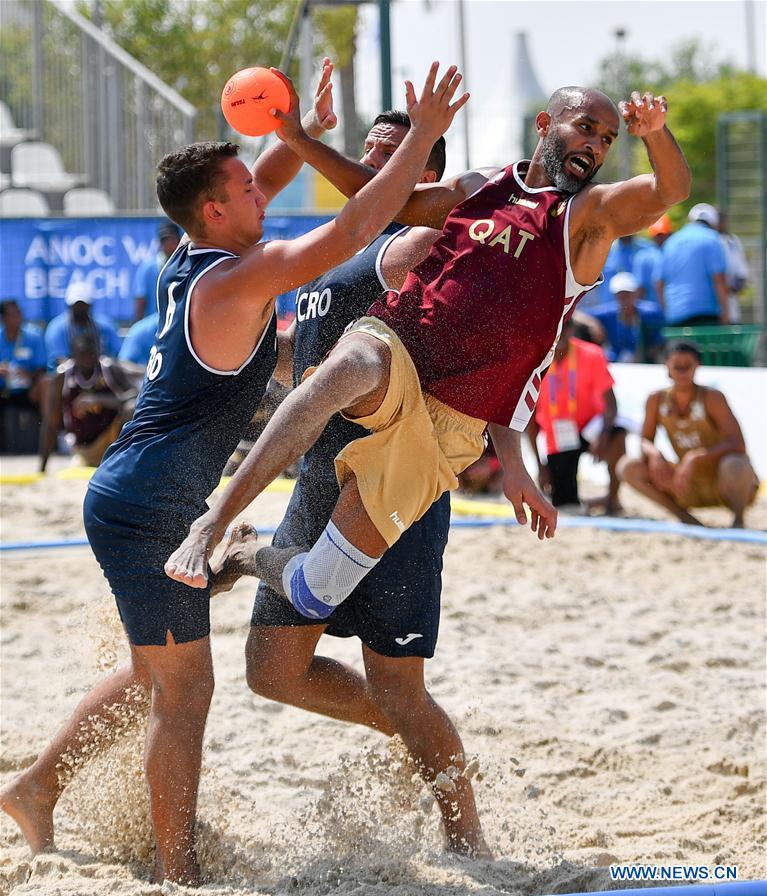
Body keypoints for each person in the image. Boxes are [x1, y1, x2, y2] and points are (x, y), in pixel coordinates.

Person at [0, 61, 466, 885]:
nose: (265, 193)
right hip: (150, 507)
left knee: (152, 674)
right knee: (183, 694)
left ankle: (36, 788)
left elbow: (264, 179)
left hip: (138, 493)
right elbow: (354, 227)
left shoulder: (197, 251)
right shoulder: (241, 277)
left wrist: (293, 133)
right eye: (248, 190)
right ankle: (177, 871)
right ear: (215, 210)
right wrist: (422, 136)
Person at [166, 88, 690, 629]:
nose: (596, 145)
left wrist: (655, 135)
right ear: (544, 124)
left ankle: (244, 554)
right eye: (585, 128)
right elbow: (378, 196)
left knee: (317, 590)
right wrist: (298, 139)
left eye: (607, 139)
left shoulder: (588, 216)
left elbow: (670, 190)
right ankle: (211, 523)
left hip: (452, 422)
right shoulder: (481, 187)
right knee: (341, 372)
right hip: (398, 351)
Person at [215, 110, 488, 856]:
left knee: (400, 686)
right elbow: (303, 358)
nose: (364, 167)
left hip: (390, 482)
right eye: (364, 151)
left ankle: (469, 840)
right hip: (317, 475)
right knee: (272, 671)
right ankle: (414, 738)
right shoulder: (338, 248)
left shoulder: (423, 242)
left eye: (387, 156)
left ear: (424, 176)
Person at [618, 340, 759, 527]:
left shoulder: (712, 397)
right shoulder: (656, 399)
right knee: (628, 466)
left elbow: (738, 444)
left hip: (721, 481)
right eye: (677, 366)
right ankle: (684, 517)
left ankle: (738, 520)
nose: (682, 372)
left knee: (735, 463)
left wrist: (695, 457)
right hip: (685, 482)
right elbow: (645, 439)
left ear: (697, 366)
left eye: (687, 366)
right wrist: (654, 454)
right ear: (667, 366)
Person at [527, 318, 627, 514]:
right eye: (555, 327)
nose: (560, 333)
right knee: (564, 502)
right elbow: (529, 419)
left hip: (592, 429)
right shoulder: (534, 361)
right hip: (559, 438)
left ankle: (613, 500)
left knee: (618, 435)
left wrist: (603, 435)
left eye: (565, 327)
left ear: (572, 329)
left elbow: (611, 405)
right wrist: (539, 466)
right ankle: (593, 502)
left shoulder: (592, 354)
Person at [39, 334, 140, 472]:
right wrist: (42, 469)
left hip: (112, 441)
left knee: (132, 408)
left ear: (97, 353)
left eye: (90, 354)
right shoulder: (62, 376)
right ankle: (91, 459)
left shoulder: (109, 368)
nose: (87, 359)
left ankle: (127, 463)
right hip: (83, 448)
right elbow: (51, 422)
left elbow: (136, 395)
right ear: (73, 355)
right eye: (82, 354)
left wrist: (98, 400)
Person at [658, 203, 729, 326]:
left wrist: (667, 312)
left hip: (675, 315)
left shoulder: (671, 242)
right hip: (706, 315)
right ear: (713, 223)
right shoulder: (713, 239)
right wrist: (726, 313)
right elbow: (719, 280)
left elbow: (659, 283)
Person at [0, 299, 47, 453]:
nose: (17, 318)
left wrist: (29, 375)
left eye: (19, 313)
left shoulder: (34, 336)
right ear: (3, 318)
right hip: (3, 390)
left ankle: (49, 438)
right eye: (12, 315)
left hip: (28, 390)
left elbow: (42, 368)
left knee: (45, 383)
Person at [44, 281, 122, 372]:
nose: (79, 309)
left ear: (90, 306)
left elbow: (116, 356)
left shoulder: (105, 326)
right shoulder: (56, 328)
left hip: (102, 373)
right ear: (69, 306)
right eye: (76, 306)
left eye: (83, 305)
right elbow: (58, 359)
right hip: (68, 375)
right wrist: (83, 366)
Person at [590, 271, 665, 363]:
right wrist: (593, 324)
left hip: (644, 364)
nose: (624, 298)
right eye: (621, 295)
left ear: (635, 293)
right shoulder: (607, 314)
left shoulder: (651, 313)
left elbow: (659, 342)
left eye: (628, 294)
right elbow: (579, 315)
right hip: (615, 363)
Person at [132, 221, 182, 322]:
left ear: (179, 241)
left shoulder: (186, 265)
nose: (169, 244)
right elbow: (140, 300)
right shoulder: (148, 268)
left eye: (172, 240)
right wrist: (138, 325)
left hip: (179, 323)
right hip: (155, 323)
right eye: (165, 240)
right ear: (160, 243)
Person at [631, 212, 672, 309]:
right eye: (657, 235)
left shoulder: (673, 252)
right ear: (652, 236)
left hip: (673, 308)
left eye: (662, 234)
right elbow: (640, 288)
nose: (660, 238)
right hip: (652, 310)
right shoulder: (643, 257)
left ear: (669, 234)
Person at [718, 210, 750, 325]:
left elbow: (742, 272)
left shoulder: (732, 241)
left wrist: (731, 289)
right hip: (711, 309)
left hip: (731, 307)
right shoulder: (708, 240)